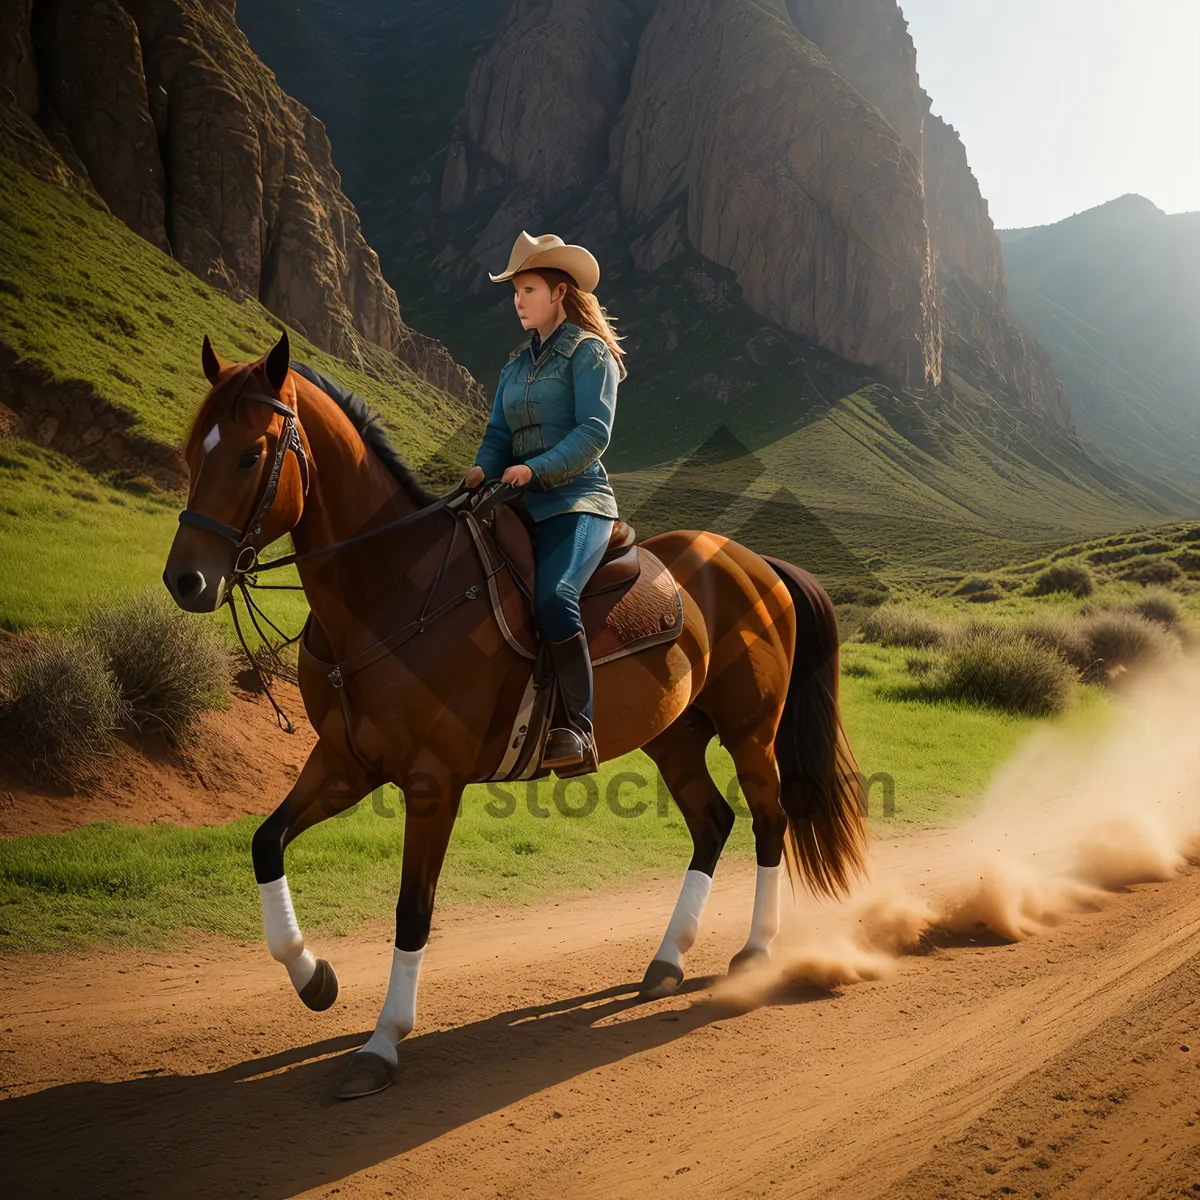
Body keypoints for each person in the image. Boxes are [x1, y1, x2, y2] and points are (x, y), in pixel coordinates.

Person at [464, 231, 627, 776]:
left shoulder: (589, 353)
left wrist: (535, 469)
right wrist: (481, 469)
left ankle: (577, 729)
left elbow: (593, 433)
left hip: (578, 502)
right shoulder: (514, 366)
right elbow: (495, 435)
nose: (518, 300)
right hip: (516, 502)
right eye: (515, 291)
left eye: (527, 289)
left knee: (555, 597)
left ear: (558, 292)